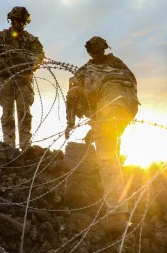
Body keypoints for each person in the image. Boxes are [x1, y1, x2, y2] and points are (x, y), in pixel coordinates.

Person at [65, 36, 139, 235]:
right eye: (94, 52)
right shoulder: (111, 66)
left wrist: (71, 122)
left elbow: (72, 95)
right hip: (121, 111)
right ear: (90, 52)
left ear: (104, 50)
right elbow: (132, 82)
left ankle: (117, 213)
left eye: (99, 51)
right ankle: (110, 179)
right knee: (109, 149)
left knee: (107, 157)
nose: (97, 55)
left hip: (109, 113)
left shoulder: (97, 68)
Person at [0, 6, 45, 150]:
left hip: (23, 80)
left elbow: (39, 56)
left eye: (22, 22)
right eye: (16, 21)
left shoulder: (31, 40)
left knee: (24, 113)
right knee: (7, 114)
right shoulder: (0, 37)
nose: (19, 24)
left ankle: (25, 146)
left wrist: (24, 59)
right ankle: (9, 146)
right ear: (11, 20)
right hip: (5, 79)